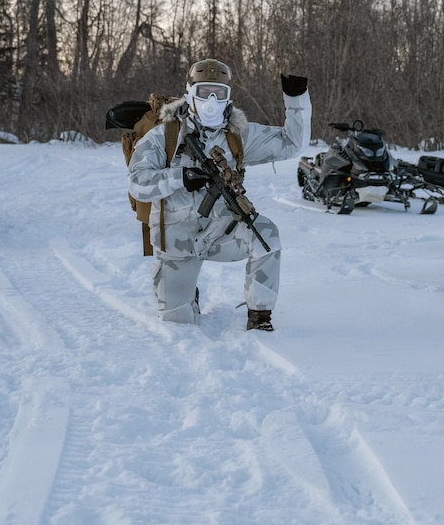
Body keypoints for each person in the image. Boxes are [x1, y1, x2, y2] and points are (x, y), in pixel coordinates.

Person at [127, 60, 311, 330]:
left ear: (228, 97)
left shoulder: (238, 135)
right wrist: (179, 178)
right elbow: (136, 182)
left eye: (219, 93)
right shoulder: (163, 136)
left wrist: (296, 100)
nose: (211, 100)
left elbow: (291, 143)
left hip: (220, 233)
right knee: (177, 321)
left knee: (265, 237)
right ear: (189, 93)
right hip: (178, 242)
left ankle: (259, 317)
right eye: (204, 92)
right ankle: (187, 292)